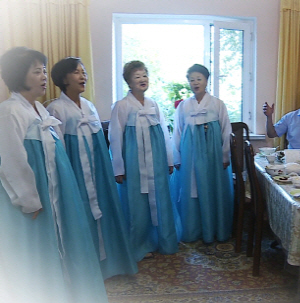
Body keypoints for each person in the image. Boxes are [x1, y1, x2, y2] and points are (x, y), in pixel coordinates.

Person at [0, 47, 108, 302]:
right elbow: (11, 161)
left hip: (56, 188)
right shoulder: (9, 111)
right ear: (18, 75)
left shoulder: (39, 108)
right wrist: (28, 200)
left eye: (44, 71)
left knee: (63, 244)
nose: (43, 76)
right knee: (38, 251)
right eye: (36, 71)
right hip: (34, 198)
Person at [47, 57, 138, 278]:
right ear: (63, 78)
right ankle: (87, 270)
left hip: (98, 173)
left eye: (84, 71)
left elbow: (100, 144)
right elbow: (56, 150)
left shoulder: (89, 106)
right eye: (77, 72)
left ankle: (112, 265)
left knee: (105, 213)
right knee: (81, 216)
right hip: (76, 175)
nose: (83, 76)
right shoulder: (55, 109)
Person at [109, 60, 179, 261]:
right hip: (134, 162)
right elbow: (115, 137)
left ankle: (164, 241)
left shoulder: (154, 105)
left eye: (144, 76)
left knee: (161, 199)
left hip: (156, 160)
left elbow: (165, 134)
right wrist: (118, 168)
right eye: (137, 77)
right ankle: (138, 245)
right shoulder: (121, 106)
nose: (142, 80)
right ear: (128, 82)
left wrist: (169, 160)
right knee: (137, 204)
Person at [172, 64, 234, 243]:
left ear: (206, 80)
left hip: (212, 154)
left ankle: (215, 229)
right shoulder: (183, 106)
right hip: (190, 155)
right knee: (192, 190)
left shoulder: (217, 104)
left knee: (212, 188)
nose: (195, 83)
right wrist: (177, 156)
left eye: (199, 79)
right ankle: (193, 230)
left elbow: (225, 130)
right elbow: (177, 131)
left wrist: (224, 155)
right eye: (192, 80)